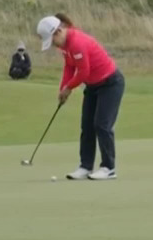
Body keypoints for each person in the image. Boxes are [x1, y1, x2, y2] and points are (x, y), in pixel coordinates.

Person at [36, 13, 125, 181]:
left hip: (111, 83)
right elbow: (69, 67)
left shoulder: (77, 43)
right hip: (93, 85)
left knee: (102, 125)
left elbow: (84, 72)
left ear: (58, 32)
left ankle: (108, 167)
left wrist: (69, 88)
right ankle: (85, 166)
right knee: (87, 126)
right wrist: (63, 88)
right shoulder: (64, 45)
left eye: (52, 40)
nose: (53, 45)